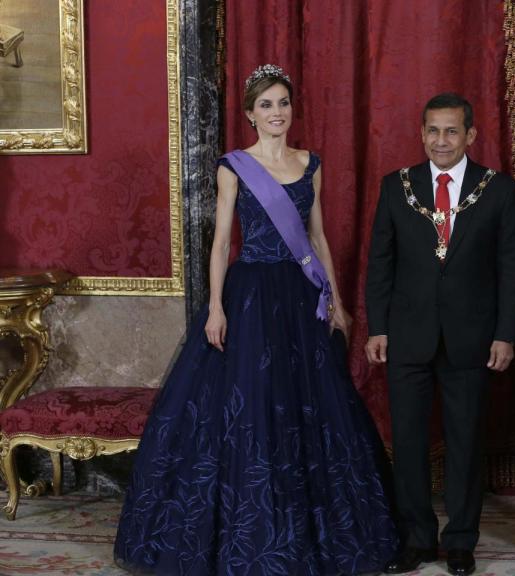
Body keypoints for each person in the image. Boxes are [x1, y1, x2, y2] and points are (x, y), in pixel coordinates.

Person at [114, 64, 399, 575]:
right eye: (265, 105)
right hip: (249, 298)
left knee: (309, 408)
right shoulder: (233, 167)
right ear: (250, 114)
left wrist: (333, 298)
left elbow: (316, 239)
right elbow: (221, 243)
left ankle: (311, 531)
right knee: (247, 407)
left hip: (300, 296)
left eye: (283, 103)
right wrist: (217, 306)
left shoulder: (310, 164)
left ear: (292, 109)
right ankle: (245, 532)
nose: (276, 112)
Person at [364, 92, 515, 576]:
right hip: (408, 336)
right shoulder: (398, 186)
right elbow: (380, 264)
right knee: (409, 445)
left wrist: (505, 334)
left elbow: (512, 267)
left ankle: (460, 542)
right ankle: (416, 539)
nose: (441, 140)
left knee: (464, 444)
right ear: (421, 133)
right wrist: (379, 327)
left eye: (452, 130)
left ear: (471, 135)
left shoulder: (497, 189)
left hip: (472, 338)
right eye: (432, 130)